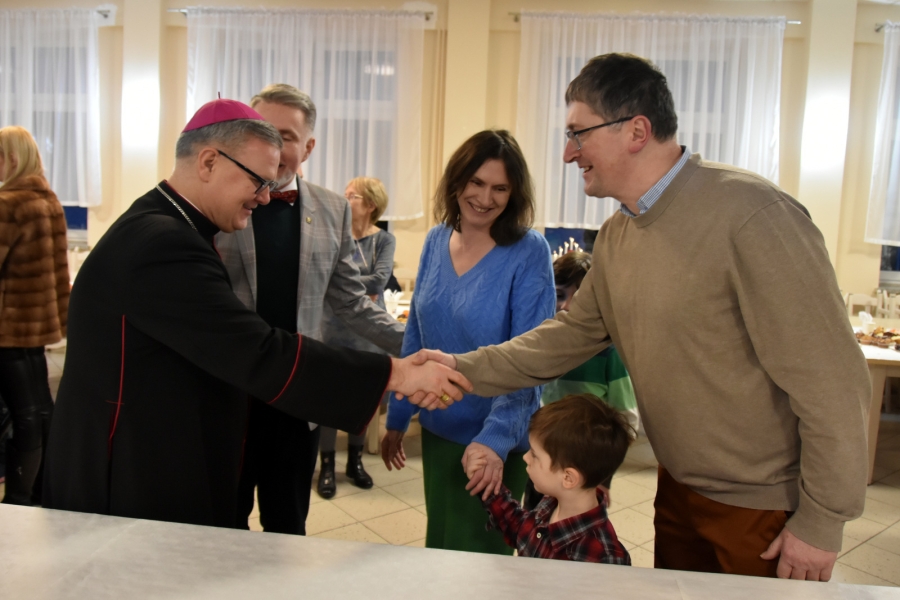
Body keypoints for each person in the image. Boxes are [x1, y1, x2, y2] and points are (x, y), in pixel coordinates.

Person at [416, 53, 870, 580]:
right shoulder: (619, 235)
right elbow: (565, 338)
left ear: (635, 131)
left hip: (761, 505)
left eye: (578, 133)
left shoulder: (753, 215)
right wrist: (458, 368)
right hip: (677, 488)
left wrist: (822, 520)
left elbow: (833, 381)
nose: (568, 153)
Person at [41, 98, 470, 528]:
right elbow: (256, 349)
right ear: (209, 162)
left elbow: (344, 302)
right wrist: (395, 374)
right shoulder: (164, 243)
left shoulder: (170, 223)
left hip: (166, 442)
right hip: (125, 470)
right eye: (257, 182)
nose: (265, 198)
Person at [216, 84, 405, 535]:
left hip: (296, 397)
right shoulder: (219, 199)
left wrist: (417, 341)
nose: (273, 146)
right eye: (262, 131)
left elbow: (351, 301)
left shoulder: (332, 208)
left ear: (309, 146)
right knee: (222, 527)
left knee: (288, 527)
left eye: (285, 136)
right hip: (228, 397)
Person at [382, 130, 556, 555]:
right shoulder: (436, 239)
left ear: (514, 194)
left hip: (494, 444)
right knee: (441, 549)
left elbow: (530, 361)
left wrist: (494, 441)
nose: (484, 198)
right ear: (457, 181)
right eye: (476, 182)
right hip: (439, 429)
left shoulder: (528, 251)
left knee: (479, 562)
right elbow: (417, 334)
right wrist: (398, 415)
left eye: (500, 188)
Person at [522, 250, 638, 511]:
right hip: (542, 467)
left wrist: (602, 477)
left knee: (576, 530)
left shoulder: (610, 354)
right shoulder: (544, 344)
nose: (567, 306)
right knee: (533, 524)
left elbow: (626, 421)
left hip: (584, 476)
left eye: (580, 298)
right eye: (560, 295)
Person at [469, 394, 631, 564]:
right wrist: (487, 482)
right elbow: (521, 529)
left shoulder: (604, 558)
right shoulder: (551, 503)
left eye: (534, 455)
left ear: (568, 478)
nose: (526, 457)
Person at [0, 126, 69, 505]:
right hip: (37, 325)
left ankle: (18, 498)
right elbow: (60, 271)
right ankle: (43, 491)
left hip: (8, 325)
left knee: (24, 412)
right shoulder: (49, 200)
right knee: (41, 407)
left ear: (12, 159)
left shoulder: (8, 204)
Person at [317, 177, 396, 498]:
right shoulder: (336, 235)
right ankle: (326, 465)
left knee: (361, 400)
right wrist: (353, 285)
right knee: (328, 401)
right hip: (331, 329)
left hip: (367, 332)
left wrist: (344, 283)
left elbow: (380, 281)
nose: (344, 199)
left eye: (352, 196)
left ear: (371, 204)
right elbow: (327, 277)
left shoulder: (384, 240)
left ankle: (355, 462)